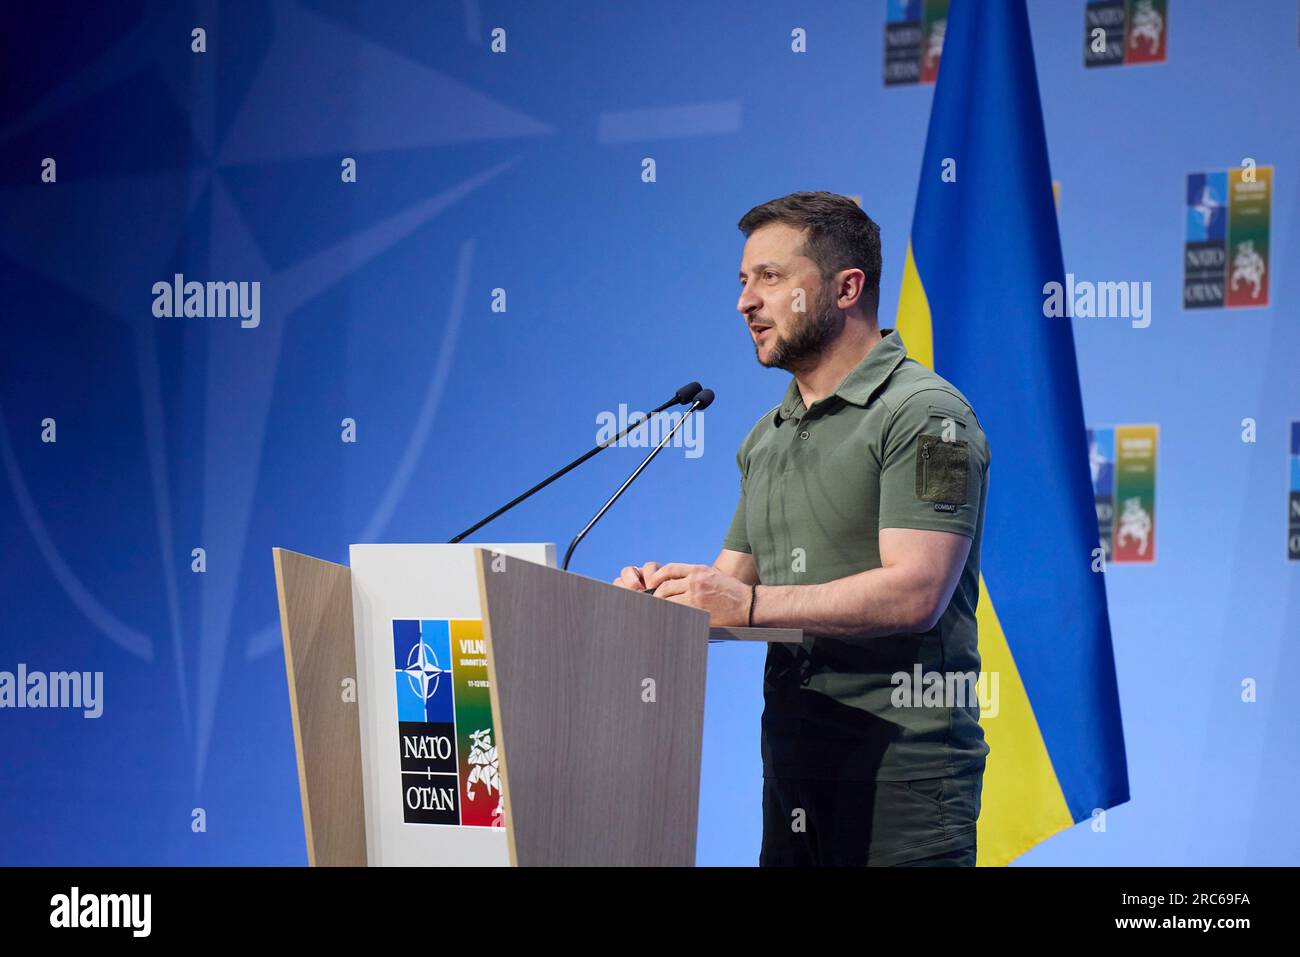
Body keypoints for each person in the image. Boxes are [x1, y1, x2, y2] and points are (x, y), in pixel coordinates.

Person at [612, 191, 991, 866]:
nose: (745, 301)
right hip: (791, 778)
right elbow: (725, 596)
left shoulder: (927, 415)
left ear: (848, 287)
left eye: (771, 277)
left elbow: (917, 592)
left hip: (904, 784)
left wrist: (748, 604)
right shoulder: (768, 435)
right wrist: (657, 602)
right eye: (742, 281)